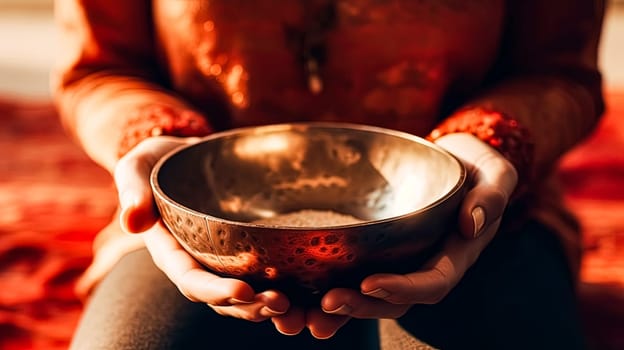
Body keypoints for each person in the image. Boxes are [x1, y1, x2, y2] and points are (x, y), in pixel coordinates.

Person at [52, 1, 605, 349]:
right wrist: (151, 140)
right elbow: (101, 70)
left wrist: (488, 143)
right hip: (205, 230)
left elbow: (559, 73)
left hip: (477, 220)